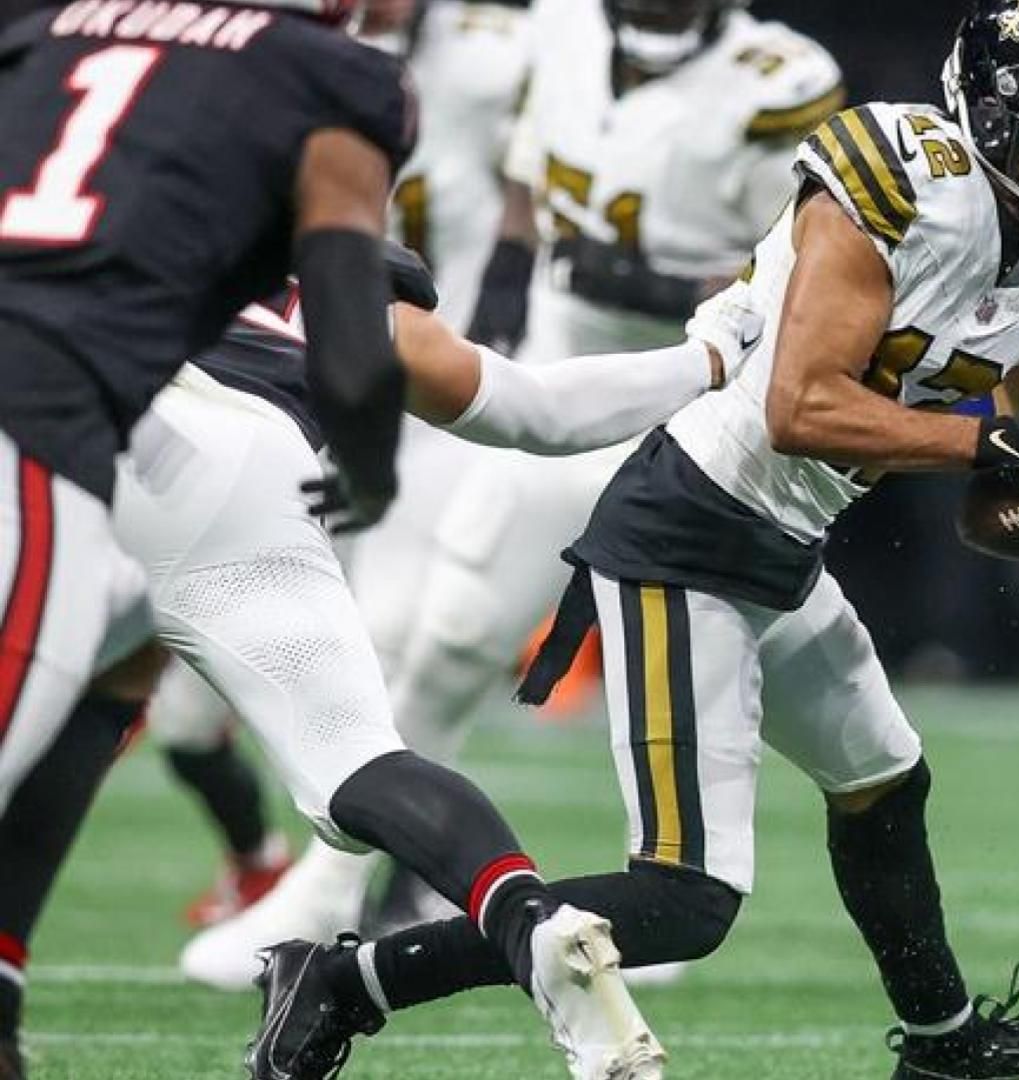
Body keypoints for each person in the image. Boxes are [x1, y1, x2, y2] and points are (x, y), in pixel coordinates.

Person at [245, 1, 1019, 1076]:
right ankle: (343, 979)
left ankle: (944, 1044)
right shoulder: (903, 174)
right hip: (691, 527)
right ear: (1000, 109)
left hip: (786, 540)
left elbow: (1000, 486)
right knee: (683, 900)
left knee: (882, 781)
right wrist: (998, 452)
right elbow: (800, 407)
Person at [0, 3, 662, 1076]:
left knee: (91, 710)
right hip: (262, 462)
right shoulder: (337, 134)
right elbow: (531, 409)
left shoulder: (80, 72)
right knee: (358, 760)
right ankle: (536, 919)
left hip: (93, 423)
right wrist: (714, 363)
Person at [182, 0, 846, 988]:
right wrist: (512, 267)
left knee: (779, 679)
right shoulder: (564, 25)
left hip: (714, 400)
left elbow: (813, 265)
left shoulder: (779, 78)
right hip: (562, 361)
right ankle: (331, 896)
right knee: (449, 631)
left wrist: (669, 290)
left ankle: (665, 896)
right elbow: (529, 174)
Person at [152, 0, 537, 933]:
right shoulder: (249, 53)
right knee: (183, 726)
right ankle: (258, 868)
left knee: (405, 636)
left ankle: (386, 892)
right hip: (264, 373)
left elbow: (546, 187)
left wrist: (507, 281)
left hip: (413, 364)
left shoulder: (500, 53)